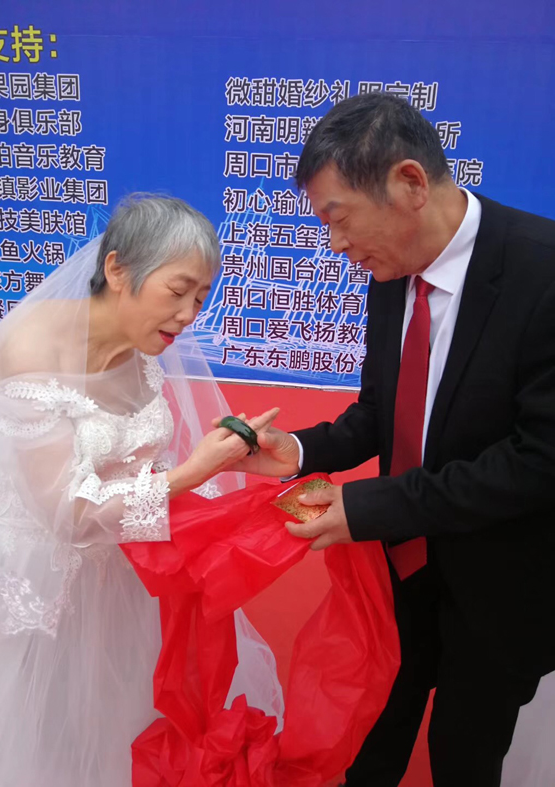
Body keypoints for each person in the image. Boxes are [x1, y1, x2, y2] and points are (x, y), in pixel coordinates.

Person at [234, 93, 555, 787]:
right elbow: (382, 411)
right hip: (401, 569)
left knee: (464, 755)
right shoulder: (391, 272)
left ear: (410, 182)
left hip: (499, 576)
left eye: (338, 218)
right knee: (371, 735)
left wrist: (368, 507)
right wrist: (300, 450)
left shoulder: (542, 272)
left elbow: (539, 459)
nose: (335, 245)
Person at [0, 194, 283, 787]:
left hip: (117, 572)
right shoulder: (33, 350)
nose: (188, 315)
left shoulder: (142, 350)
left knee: (117, 731)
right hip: (35, 584)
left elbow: (137, 468)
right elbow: (68, 513)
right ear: (117, 269)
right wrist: (192, 472)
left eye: (200, 298)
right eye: (178, 291)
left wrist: (223, 461)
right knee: (37, 739)